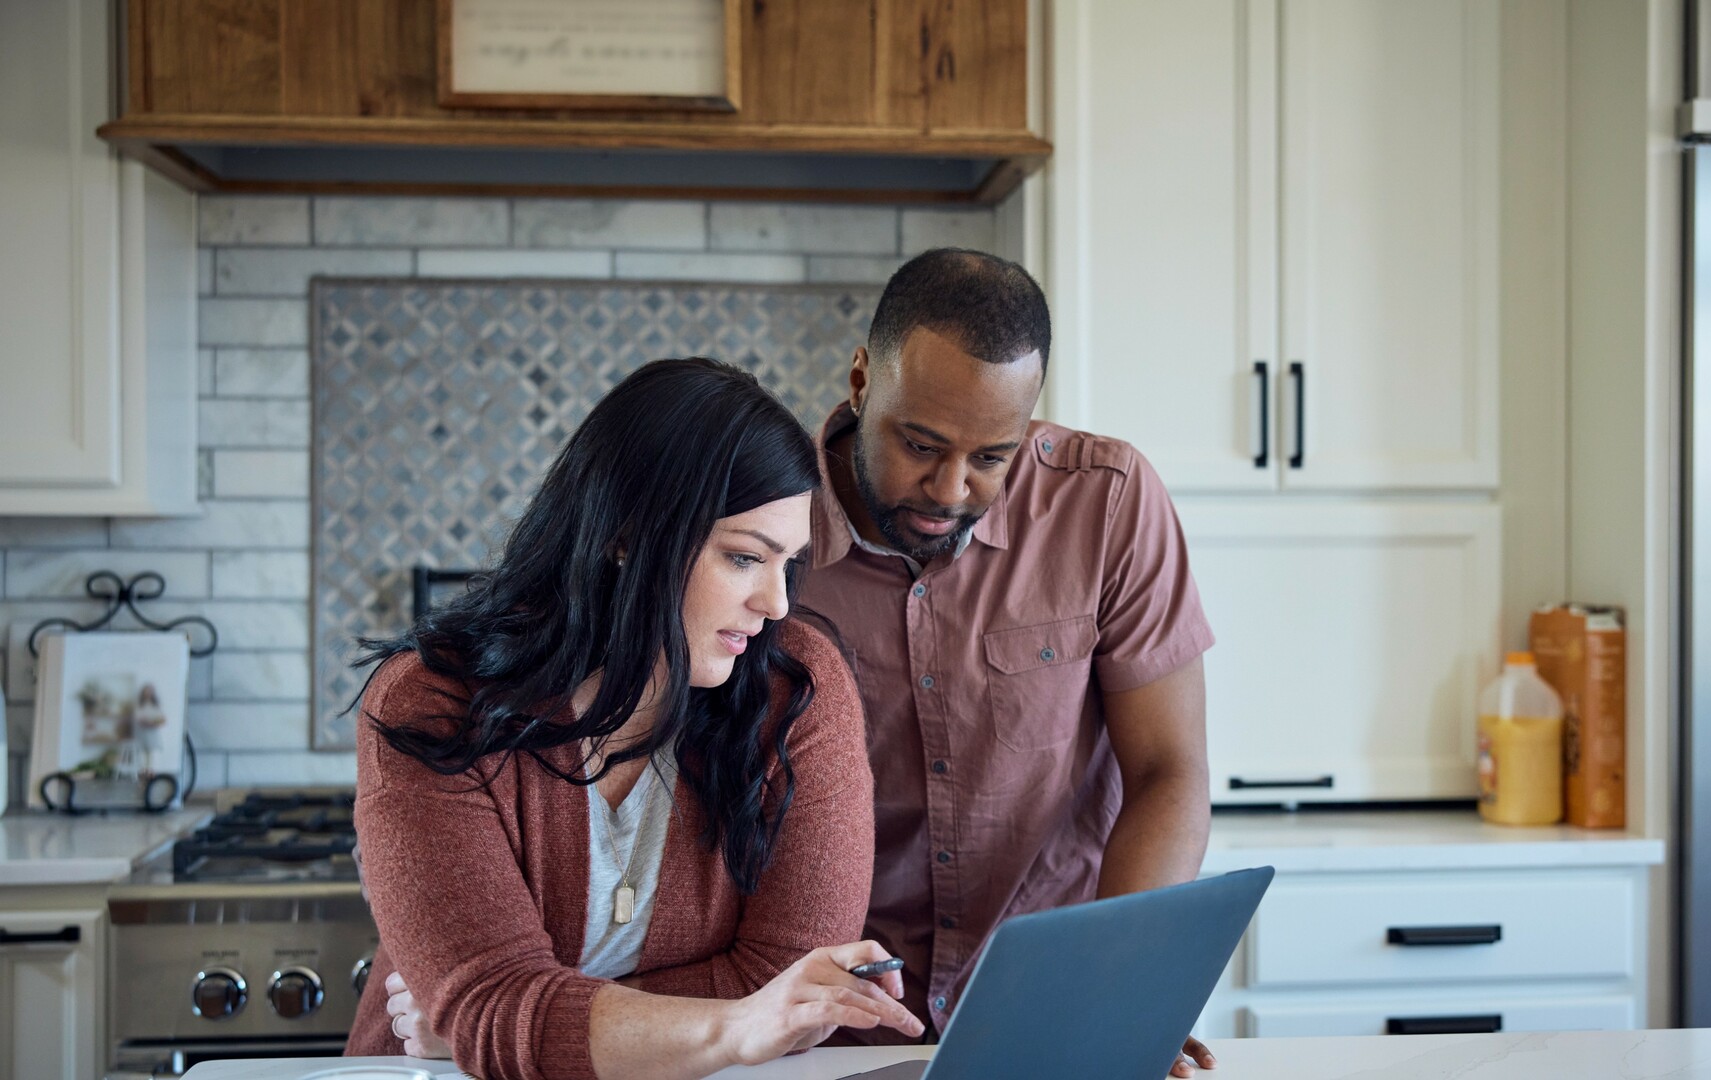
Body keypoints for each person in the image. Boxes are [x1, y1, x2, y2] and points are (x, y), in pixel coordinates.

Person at [345, 358, 922, 1079]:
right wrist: (500, 1018)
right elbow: (493, 1006)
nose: (776, 602)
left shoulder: (795, 689)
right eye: (744, 558)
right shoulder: (432, 705)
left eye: (789, 563)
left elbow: (795, 989)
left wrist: (521, 1024)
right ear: (625, 533)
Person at [806, 249, 1218, 1072]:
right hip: (828, 1026)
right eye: (920, 444)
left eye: (991, 456)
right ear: (861, 382)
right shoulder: (768, 528)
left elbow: (1170, 771)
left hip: (1051, 1012)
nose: (951, 488)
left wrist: (1124, 991)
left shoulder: (1108, 501)